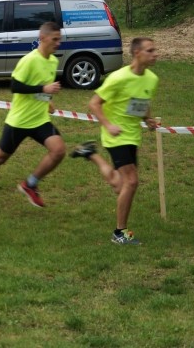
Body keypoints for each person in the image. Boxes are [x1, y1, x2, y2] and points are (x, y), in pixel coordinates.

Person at [71, 38, 159, 245]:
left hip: (132, 135)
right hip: (115, 136)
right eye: (150, 50)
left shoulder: (152, 79)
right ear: (137, 53)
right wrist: (108, 125)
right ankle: (119, 233)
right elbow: (94, 104)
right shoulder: (118, 78)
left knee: (121, 186)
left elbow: (143, 101)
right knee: (132, 181)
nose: (155, 54)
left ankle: (89, 153)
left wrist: (149, 119)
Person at [0, 22, 66, 212]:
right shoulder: (29, 60)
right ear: (43, 38)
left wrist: (48, 101)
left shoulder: (53, 61)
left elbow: (42, 84)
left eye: (59, 40)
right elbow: (15, 86)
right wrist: (43, 89)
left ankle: (30, 184)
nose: (58, 44)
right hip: (19, 121)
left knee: (59, 150)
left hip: (39, 120)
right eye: (55, 40)